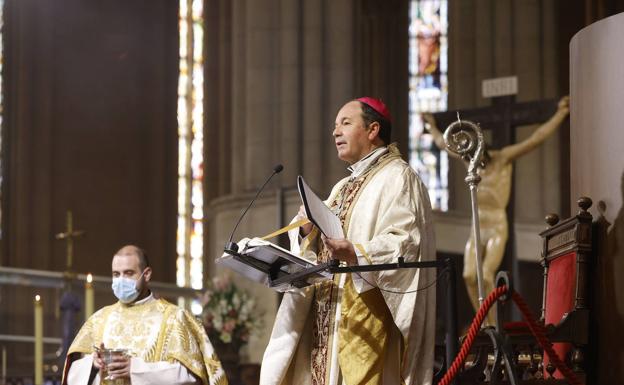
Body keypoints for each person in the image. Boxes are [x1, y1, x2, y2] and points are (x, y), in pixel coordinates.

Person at [260, 97, 437, 385]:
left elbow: (405, 243)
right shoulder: (342, 187)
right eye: (334, 126)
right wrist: (307, 231)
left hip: (367, 313)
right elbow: (320, 240)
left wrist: (357, 252)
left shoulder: (399, 178)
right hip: (329, 314)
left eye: (345, 123)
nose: (335, 132)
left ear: (372, 130)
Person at [423, 96, 570, 324]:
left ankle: (492, 326)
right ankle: (484, 324)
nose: (475, 162)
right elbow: (444, 144)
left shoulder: (503, 158)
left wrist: (560, 114)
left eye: (479, 157)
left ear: (485, 151)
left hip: (496, 223)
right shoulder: (468, 161)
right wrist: (431, 126)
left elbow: (535, 140)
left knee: (487, 273)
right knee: (469, 275)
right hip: (477, 224)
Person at [61, 245, 227, 385]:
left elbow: (191, 374)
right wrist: (93, 365)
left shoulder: (174, 318)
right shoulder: (99, 319)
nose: (121, 280)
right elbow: (72, 375)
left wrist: (136, 369)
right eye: (116, 274)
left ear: (146, 274)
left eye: (128, 273)